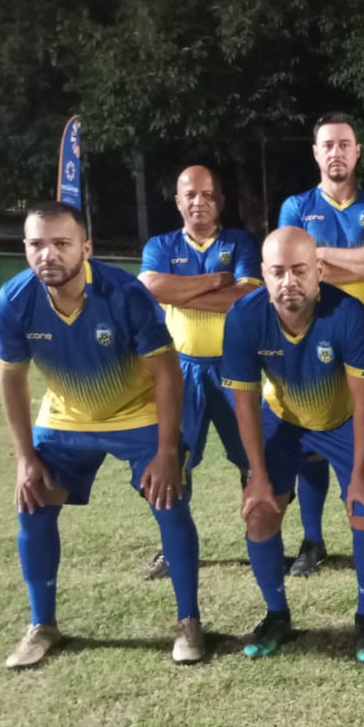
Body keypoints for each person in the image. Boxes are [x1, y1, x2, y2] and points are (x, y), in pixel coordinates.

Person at [0, 201, 203, 668]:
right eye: (36, 244)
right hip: (67, 416)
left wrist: (167, 450)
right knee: (33, 502)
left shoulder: (125, 293)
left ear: (85, 248)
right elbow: (12, 380)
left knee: (169, 501)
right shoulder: (14, 300)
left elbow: (167, 372)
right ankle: (42, 625)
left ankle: (189, 621)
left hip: (138, 411)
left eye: (61, 244)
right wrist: (25, 459)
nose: (48, 254)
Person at [221, 227, 364, 664]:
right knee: (259, 512)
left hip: (344, 420)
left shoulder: (349, 314)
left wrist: (360, 475)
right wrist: (257, 476)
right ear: (263, 273)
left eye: (299, 270)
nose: (288, 282)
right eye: (278, 272)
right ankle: (276, 615)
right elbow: (244, 404)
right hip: (284, 420)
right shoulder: (243, 316)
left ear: (319, 271)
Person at [278, 112, 364, 579]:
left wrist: (321, 257)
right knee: (312, 442)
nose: (336, 152)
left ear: (357, 152)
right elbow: (294, 266)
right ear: (316, 153)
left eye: (344, 144)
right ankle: (313, 541)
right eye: (328, 145)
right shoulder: (296, 207)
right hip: (312, 345)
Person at [138, 165, 262, 579]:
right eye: (190, 195)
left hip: (234, 370)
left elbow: (246, 297)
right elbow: (150, 288)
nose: (199, 202)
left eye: (207, 194)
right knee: (173, 459)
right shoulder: (161, 245)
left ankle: (261, 539)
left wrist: (181, 292)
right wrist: (215, 281)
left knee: (252, 459)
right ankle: (172, 548)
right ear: (178, 201)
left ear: (219, 200)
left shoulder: (239, 242)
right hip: (181, 370)